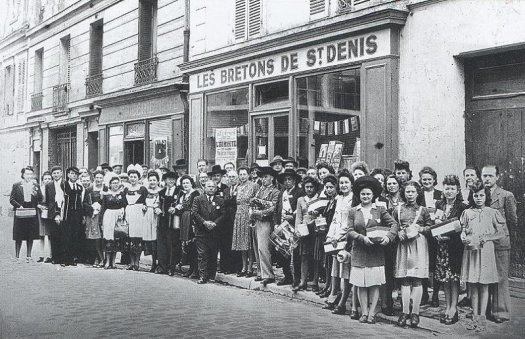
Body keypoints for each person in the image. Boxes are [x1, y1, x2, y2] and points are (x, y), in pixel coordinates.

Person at [348, 176, 398, 324]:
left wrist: (388, 237)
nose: (365, 197)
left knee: (374, 283)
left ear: (373, 195)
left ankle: (372, 313)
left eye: (368, 194)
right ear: (359, 195)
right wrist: (361, 238)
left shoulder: (380, 209)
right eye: (363, 194)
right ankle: (364, 312)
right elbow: (349, 231)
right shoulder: (353, 211)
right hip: (359, 251)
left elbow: (394, 224)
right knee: (361, 284)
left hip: (376, 252)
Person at [460, 181, 506, 332]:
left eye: (481, 195)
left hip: (486, 252)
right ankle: (475, 316)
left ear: (486, 196)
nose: (478, 198)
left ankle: (482, 318)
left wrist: (488, 237)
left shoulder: (492, 212)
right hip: (471, 251)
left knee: (484, 285)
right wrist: (463, 237)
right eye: (475, 195)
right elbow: (463, 230)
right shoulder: (468, 213)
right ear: (472, 196)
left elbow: (501, 233)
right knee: (473, 285)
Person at [394, 181, 432, 328]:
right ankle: (404, 312)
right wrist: (398, 232)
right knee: (405, 279)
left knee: (417, 279)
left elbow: (430, 228)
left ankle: (415, 312)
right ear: (403, 192)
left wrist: (420, 229)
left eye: (413, 192)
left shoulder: (423, 210)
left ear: (418, 193)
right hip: (403, 245)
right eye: (407, 192)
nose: (410, 195)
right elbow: (393, 225)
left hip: (418, 244)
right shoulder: (397, 209)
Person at [482, 165, 517, 323]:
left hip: (500, 242)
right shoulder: (479, 194)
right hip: (484, 243)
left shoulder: (506, 195)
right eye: (484, 176)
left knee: (500, 277)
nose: (487, 179)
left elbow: (512, 220)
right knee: (485, 276)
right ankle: (485, 310)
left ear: (497, 177)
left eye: (490, 176)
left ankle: (500, 312)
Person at [433, 175, 467, 325]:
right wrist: (437, 236)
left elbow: (463, 229)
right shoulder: (439, 204)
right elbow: (434, 225)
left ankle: (453, 308)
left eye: (452, 188)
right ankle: (447, 307)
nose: (449, 191)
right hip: (441, 248)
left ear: (458, 190)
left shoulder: (462, 207)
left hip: (454, 248)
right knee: (444, 280)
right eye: (447, 188)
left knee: (453, 279)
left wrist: (450, 238)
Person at [323, 170, 354, 316]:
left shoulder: (354, 199)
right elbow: (335, 219)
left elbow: (349, 223)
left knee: (345, 272)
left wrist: (339, 236)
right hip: (336, 239)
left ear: (351, 184)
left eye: (346, 182)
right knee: (336, 270)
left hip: (347, 239)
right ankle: (334, 297)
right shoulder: (339, 199)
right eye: (341, 183)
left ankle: (343, 303)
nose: (343, 185)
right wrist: (330, 236)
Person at [273, 169, 304, 286]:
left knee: (295, 254)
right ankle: (287, 276)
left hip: (294, 226)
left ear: (294, 180)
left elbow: (302, 209)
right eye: (285, 180)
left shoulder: (300, 192)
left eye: (289, 179)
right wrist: (276, 223)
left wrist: (293, 216)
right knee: (283, 252)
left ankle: (297, 278)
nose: (287, 182)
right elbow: (277, 209)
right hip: (282, 226)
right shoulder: (282, 193)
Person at [191, 180, 226, 284]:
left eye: (213, 187)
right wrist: (204, 222)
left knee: (213, 254)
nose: (211, 188)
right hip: (201, 231)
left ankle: (211, 275)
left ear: (216, 188)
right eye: (208, 186)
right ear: (204, 188)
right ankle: (202, 276)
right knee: (202, 254)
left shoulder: (220, 200)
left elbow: (223, 214)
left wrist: (215, 223)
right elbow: (194, 213)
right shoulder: (198, 199)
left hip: (214, 232)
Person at [250, 166, 280, 286]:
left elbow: (274, 207)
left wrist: (261, 211)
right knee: (257, 248)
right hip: (256, 220)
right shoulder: (260, 190)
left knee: (264, 248)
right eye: (262, 177)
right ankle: (261, 273)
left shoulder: (275, 191)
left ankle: (268, 274)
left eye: (266, 177)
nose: (263, 179)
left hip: (266, 221)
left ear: (272, 178)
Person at [293, 176, 322, 292]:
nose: (309, 189)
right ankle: (303, 281)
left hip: (315, 230)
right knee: (304, 256)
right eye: (307, 187)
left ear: (315, 188)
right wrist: (297, 230)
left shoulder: (319, 199)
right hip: (304, 230)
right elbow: (298, 217)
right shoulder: (301, 200)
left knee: (315, 256)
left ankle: (315, 281)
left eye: (311, 187)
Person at [419, 166, 442, 306]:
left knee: (436, 263)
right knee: (424, 263)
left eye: (429, 179)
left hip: (437, 232)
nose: (427, 182)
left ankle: (435, 295)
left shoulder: (440, 194)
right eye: (424, 179)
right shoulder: (418, 194)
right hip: (424, 232)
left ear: (434, 180)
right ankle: (424, 293)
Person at [10, 166, 42, 262]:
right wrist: (18, 206)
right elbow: (12, 199)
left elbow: (40, 198)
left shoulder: (35, 185)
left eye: (31, 174)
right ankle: (17, 256)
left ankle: (29, 256)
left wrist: (36, 193)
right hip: (20, 210)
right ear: (23, 175)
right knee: (18, 234)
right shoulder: (17, 185)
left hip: (32, 211)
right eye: (27, 174)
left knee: (30, 234)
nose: (29, 176)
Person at [382, 173, 403, 315]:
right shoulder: (383, 199)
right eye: (388, 183)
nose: (391, 186)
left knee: (401, 271)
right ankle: (387, 303)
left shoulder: (404, 198)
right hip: (389, 239)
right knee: (388, 271)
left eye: (394, 183)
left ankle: (403, 302)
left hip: (403, 239)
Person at [232, 167, 259, 277]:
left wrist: (252, 215)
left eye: (244, 174)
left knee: (249, 243)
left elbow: (257, 201)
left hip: (249, 215)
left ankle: (250, 267)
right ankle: (243, 266)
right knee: (241, 242)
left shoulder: (254, 186)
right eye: (241, 174)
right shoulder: (238, 187)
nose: (242, 176)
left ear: (248, 175)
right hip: (239, 215)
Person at [316, 175, 338, 298]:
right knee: (327, 262)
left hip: (332, 234)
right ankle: (327, 286)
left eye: (331, 187)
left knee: (331, 262)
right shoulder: (329, 201)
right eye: (327, 187)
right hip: (326, 233)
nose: (329, 190)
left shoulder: (337, 201)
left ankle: (331, 288)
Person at [157, 172, 182, 276]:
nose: (171, 181)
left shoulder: (179, 192)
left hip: (173, 222)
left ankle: (171, 268)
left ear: (175, 180)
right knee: (162, 245)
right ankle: (162, 267)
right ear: (165, 181)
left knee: (172, 245)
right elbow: (157, 203)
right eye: (168, 179)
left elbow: (182, 204)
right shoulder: (161, 192)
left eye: (173, 179)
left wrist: (176, 208)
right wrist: (157, 209)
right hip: (162, 221)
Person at [122, 169, 148, 271]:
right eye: (131, 177)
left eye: (135, 177)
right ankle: (131, 262)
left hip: (139, 214)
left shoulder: (142, 189)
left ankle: (137, 262)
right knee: (129, 238)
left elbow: (147, 201)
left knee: (138, 238)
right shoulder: (126, 189)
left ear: (139, 178)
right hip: (129, 212)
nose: (132, 179)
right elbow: (124, 202)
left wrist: (145, 207)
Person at [175, 175, 200, 278]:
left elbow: (196, 208)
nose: (185, 185)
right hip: (184, 219)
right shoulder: (183, 194)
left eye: (187, 183)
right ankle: (191, 269)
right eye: (183, 183)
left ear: (191, 183)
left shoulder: (195, 193)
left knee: (193, 244)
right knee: (187, 246)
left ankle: (196, 270)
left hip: (192, 219)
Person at [59, 167, 84, 266]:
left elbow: (80, 202)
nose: (74, 176)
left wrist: (81, 216)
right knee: (66, 236)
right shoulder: (63, 185)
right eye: (72, 173)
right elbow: (59, 200)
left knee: (75, 236)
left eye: (76, 174)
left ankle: (72, 258)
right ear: (68, 174)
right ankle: (65, 259)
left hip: (76, 214)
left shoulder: (79, 187)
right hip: (67, 214)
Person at [100, 176, 125, 269]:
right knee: (108, 238)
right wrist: (101, 221)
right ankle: (107, 262)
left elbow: (124, 205)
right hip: (108, 216)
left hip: (118, 217)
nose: (115, 185)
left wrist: (122, 211)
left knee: (116, 238)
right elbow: (103, 208)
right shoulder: (106, 195)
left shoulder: (121, 194)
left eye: (117, 183)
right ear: (110, 184)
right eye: (113, 183)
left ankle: (113, 262)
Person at [82, 170, 106, 267]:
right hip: (92, 216)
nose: (98, 180)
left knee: (103, 238)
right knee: (95, 238)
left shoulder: (106, 188)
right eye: (97, 178)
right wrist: (92, 209)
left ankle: (104, 259)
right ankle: (98, 258)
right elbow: (84, 203)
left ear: (103, 178)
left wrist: (101, 208)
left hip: (103, 216)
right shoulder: (89, 189)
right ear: (94, 178)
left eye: (100, 177)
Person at [219, 170, 239, 274]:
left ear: (237, 178)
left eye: (233, 177)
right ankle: (226, 267)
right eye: (229, 177)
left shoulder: (240, 189)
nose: (231, 179)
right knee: (226, 243)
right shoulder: (226, 190)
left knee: (235, 243)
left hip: (236, 218)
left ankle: (235, 267)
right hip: (226, 220)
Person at [44, 166, 65, 264]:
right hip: (52, 212)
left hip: (64, 211)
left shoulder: (65, 184)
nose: (56, 175)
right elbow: (48, 200)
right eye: (54, 173)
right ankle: (55, 258)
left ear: (61, 173)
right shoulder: (49, 185)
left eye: (58, 173)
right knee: (54, 235)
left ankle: (63, 257)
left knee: (63, 235)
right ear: (52, 175)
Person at [143, 171, 162, 273]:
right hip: (147, 216)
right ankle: (153, 262)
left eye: (154, 180)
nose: (152, 182)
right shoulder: (146, 191)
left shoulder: (161, 191)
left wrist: (158, 208)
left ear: (158, 181)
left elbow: (162, 204)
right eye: (150, 180)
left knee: (156, 240)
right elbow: (142, 202)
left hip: (156, 216)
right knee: (150, 240)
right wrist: (144, 206)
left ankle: (158, 263)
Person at [37, 171, 53, 263]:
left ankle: (51, 255)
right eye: (45, 179)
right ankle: (41, 255)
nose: (47, 180)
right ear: (42, 180)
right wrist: (39, 206)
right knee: (41, 234)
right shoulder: (40, 189)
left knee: (50, 234)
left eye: (49, 179)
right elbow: (35, 200)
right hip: (41, 212)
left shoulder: (53, 188)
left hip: (50, 212)